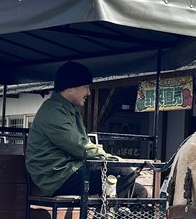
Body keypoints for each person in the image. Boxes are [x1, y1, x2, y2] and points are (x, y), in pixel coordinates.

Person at [26, 61, 145, 197]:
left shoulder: (68, 109)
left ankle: (110, 210)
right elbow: (80, 146)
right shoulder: (53, 112)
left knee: (139, 192)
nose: (89, 92)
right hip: (57, 177)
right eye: (86, 87)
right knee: (123, 172)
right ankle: (107, 211)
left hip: (72, 170)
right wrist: (113, 160)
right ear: (70, 86)